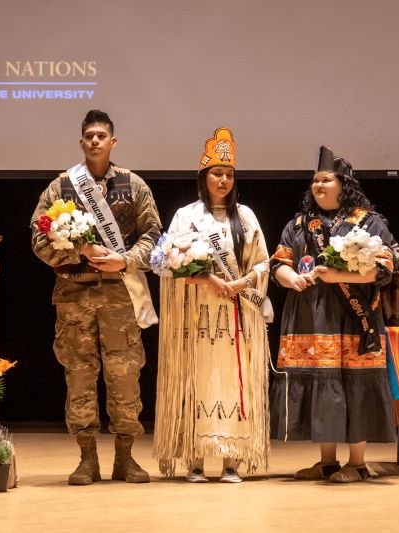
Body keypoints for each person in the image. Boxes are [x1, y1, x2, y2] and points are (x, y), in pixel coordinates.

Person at [30, 109, 162, 485]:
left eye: (101, 135)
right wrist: (78, 252)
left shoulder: (133, 185)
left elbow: (154, 235)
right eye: (88, 135)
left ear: (112, 141)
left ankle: (126, 457)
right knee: (79, 376)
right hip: (74, 298)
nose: (94, 141)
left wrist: (126, 258)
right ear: (81, 141)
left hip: (121, 297)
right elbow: (39, 239)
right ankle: (87, 458)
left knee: (125, 375)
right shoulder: (60, 187)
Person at [269, 145, 395, 483]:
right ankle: (326, 461)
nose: (318, 186)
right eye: (315, 180)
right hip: (310, 315)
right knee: (321, 380)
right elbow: (278, 264)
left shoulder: (367, 223)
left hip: (352, 316)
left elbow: (382, 270)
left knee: (353, 382)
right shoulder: (298, 225)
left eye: (325, 180)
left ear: (343, 184)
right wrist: (291, 278)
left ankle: (356, 463)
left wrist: (337, 276)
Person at [153, 128, 272, 483]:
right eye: (217, 173)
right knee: (197, 380)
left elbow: (263, 263)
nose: (223, 179)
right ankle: (195, 460)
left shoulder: (246, 217)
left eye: (229, 174)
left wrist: (242, 282)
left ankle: (233, 460)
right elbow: (170, 262)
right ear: (203, 177)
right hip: (196, 314)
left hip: (236, 316)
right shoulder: (185, 216)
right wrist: (209, 279)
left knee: (233, 383)